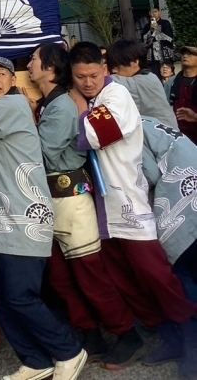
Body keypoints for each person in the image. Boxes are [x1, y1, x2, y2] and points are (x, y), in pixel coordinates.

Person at [0, 56, 86, 380]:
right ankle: (35, 360)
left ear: (13, 79)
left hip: (24, 220)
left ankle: (69, 350)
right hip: (2, 222)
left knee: (20, 295)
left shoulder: (12, 106)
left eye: (1, 75)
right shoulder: (0, 109)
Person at [68, 41, 197, 373]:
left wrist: (79, 106)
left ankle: (190, 339)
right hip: (102, 207)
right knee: (126, 281)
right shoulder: (93, 98)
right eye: (80, 77)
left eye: (92, 75)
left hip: (131, 204)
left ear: (105, 70)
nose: (87, 82)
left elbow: (95, 135)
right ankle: (166, 337)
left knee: (156, 276)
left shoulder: (116, 96)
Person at [26, 44, 142, 369]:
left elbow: (41, 152)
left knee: (91, 276)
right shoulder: (53, 104)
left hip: (72, 201)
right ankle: (89, 334)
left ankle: (127, 334)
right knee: (62, 279)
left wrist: (22, 118)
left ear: (50, 67)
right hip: (53, 201)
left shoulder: (63, 105)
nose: (29, 65)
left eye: (33, 60)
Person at [141, 116, 197, 304]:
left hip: (181, 199)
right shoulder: (148, 120)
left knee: (183, 264)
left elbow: (150, 174)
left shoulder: (129, 131)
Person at [105, 40, 176, 127]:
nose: (113, 71)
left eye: (117, 66)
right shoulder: (149, 76)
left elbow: (102, 81)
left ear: (135, 62)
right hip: (166, 134)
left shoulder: (141, 81)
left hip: (162, 137)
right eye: (112, 67)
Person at [165, 44, 197, 144]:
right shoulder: (172, 82)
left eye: (191, 54)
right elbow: (164, 105)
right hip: (177, 135)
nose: (185, 56)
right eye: (184, 54)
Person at [141, 8, 175, 78]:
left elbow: (168, 37)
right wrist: (151, 32)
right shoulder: (147, 26)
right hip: (153, 56)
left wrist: (155, 32)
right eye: (151, 12)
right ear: (149, 13)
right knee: (156, 75)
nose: (153, 14)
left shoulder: (165, 23)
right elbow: (144, 39)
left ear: (159, 13)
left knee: (168, 74)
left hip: (165, 53)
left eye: (155, 12)